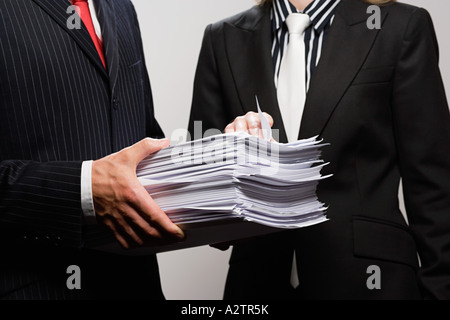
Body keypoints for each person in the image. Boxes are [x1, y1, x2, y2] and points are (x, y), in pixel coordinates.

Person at [188, 0, 450, 299]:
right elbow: (201, 202)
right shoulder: (222, 36)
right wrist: (232, 154)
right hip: (256, 285)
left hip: (371, 283)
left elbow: (434, 184)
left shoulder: (400, 25)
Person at [0, 0, 185, 300]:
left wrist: (225, 160)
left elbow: (144, 136)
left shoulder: (121, 7)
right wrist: (84, 188)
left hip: (139, 287)